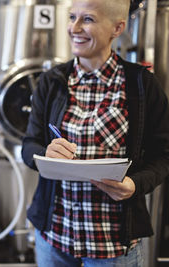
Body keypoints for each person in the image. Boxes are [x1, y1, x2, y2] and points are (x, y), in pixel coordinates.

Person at [22, 0, 169, 266]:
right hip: (55, 236)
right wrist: (45, 153)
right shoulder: (52, 81)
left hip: (113, 245)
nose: (74, 28)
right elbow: (29, 144)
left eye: (87, 19)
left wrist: (134, 185)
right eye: (71, 17)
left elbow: (163, 156)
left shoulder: (142, 86)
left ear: (117, 27)